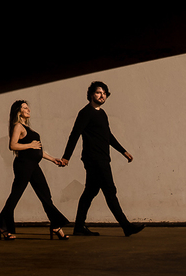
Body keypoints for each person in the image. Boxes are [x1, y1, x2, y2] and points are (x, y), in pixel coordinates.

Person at [59, 81, 145, 237]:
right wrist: (66, 157)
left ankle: (79, 227)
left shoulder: (102, 113)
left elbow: (108, 135)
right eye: (99, 92)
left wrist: (123, 151)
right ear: (91, 94)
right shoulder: (86, 112)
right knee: (110, 190)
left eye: (104, 93)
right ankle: (126, 226)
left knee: (90, 192)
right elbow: (75, 134)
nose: (102, 96)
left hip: (103, 158)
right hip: (94, 159)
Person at [0, 99, 69, 240]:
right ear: (18, 111)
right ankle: (3, 226)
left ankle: (55, 225)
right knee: (15, 195)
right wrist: (29, 145)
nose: (28, 110)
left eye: (28, 108)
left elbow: (38, 149)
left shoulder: (28, 129)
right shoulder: (18, 126)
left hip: (34, 165)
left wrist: (53, 159)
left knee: (45, 195)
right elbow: (12, 146)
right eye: (25, 108)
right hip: (23, 165)